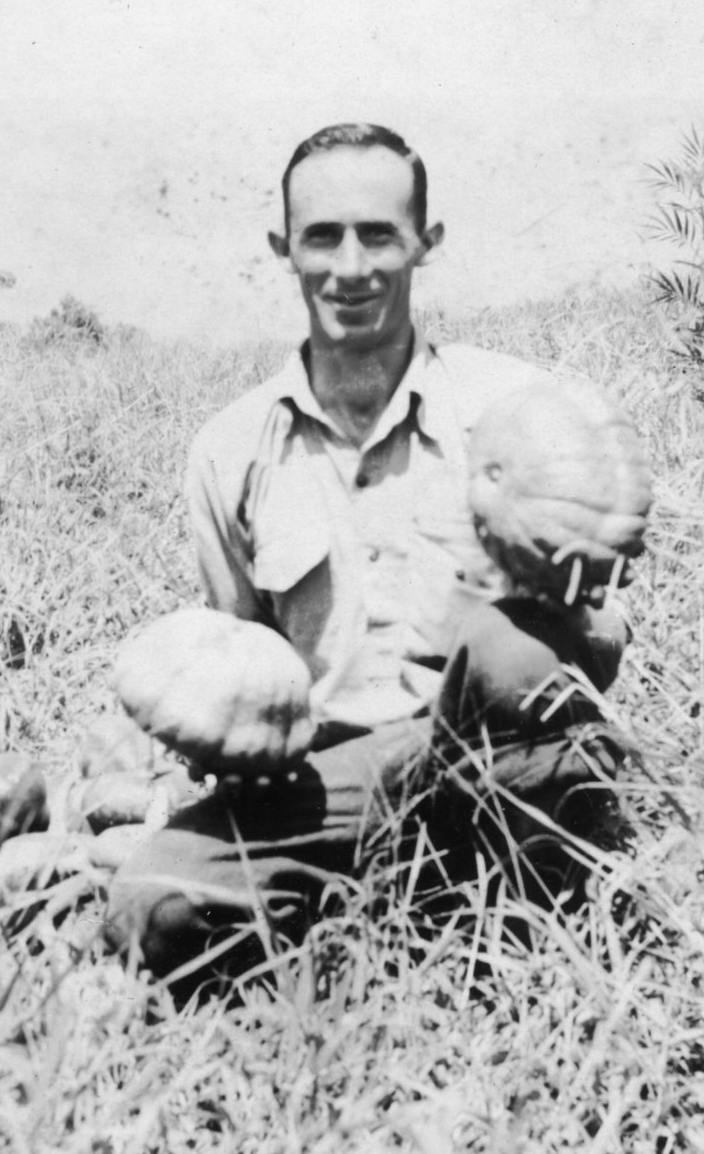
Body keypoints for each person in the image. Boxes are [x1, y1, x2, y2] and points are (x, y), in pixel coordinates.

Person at [105, 123, 631, 983]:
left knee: (510, 652)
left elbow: (602, 637)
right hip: (327, 779)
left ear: (426, 242)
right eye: (322, 237)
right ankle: (388, 909)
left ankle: (531, 919)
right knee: (151, 908)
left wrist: (575, 602)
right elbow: (243, 662)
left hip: (494, 753)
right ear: (283, 248)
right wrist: (210, 737)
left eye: (380, 235)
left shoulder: (514, 409)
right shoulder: (229, 449)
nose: (351, 268)